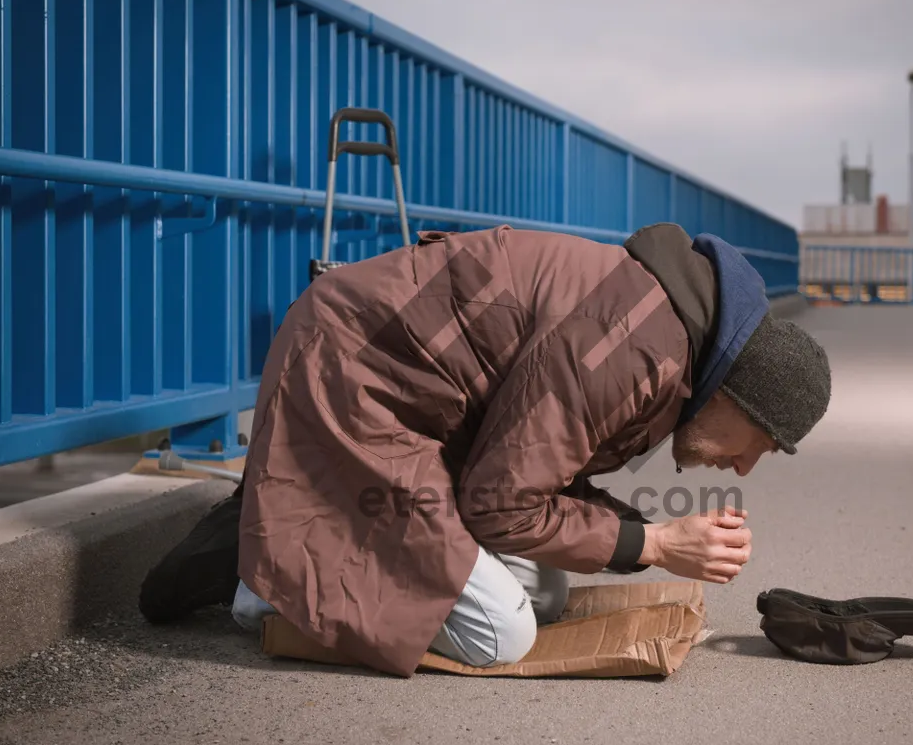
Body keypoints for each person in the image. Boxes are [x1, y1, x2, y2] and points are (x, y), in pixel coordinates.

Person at [138, 222, 832, 677]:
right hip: (355, 383)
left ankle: (295, 520)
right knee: (501, 634)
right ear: (735, 395)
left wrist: (646, 537)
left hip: (416, 415)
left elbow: (540, 471)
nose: (743, 467)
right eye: (761, 446)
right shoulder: (634, 350)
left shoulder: (667, 344)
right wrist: (652, 544)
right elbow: (503, 507)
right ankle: (264, 580)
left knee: (546, 589)